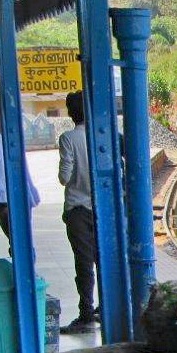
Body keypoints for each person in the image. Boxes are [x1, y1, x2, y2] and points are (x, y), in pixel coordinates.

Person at [58, 91, 99, 333]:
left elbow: (64, 177)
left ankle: (86, 312)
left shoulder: (68, 138)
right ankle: (105, 308)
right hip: (100, 208)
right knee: (102, 260)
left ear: (71, 113)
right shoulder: (101, 137)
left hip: (77, 209)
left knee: (83, 263)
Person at [0, 93, 41, 247]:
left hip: (10, 199)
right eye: (2, 112)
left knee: (20, 243)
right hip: (3, 201)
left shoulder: (3, 137)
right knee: (21, 244)